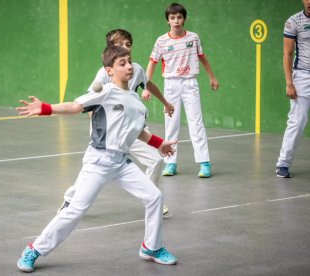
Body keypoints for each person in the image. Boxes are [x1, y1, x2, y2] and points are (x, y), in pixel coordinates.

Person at [16, 46, 178, 273]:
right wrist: (45, 108)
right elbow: (74, 106)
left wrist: (159, 144)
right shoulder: (105, 92)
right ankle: (34, 250)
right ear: (109, 70)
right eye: (122, 63)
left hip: (122, 163)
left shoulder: (136, 101)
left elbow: (138, 132)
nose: (129, 66)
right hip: (98, 162)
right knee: (75, 210)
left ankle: (151, 247)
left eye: (129, 61)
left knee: (154, 197)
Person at [58, 29, 174, 215]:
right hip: (110, 135)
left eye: (128, 45)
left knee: (156, 160)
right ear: (111, 49)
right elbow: (90, 103)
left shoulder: (135, 69)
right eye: (120, 44)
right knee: (91, 174)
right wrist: (101, 130)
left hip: (134, 130)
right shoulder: (104, 74)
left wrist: (166, 102)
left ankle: (150, 200)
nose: (125, 47)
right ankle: (70, 201)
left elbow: (148, 84)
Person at [146, 3, 219, 178]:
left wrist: (212, 76)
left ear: (184, 19)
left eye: (179, 17)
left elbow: (202, 57)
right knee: (171, 124)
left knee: (196, 123)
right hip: (170, 85)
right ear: (167, 21)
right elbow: (152, 62)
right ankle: (170, 163)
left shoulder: (193, 38)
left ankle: (204, 163)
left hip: (190, 83)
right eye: (172, 18)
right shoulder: (161, 41)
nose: (176, 21)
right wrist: (146, 86)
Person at [276, 0, 310, 178]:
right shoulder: (293, 21)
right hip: (302, 77)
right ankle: (283, 163)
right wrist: (289, 82)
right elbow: (288, 53)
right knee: (297, 121)